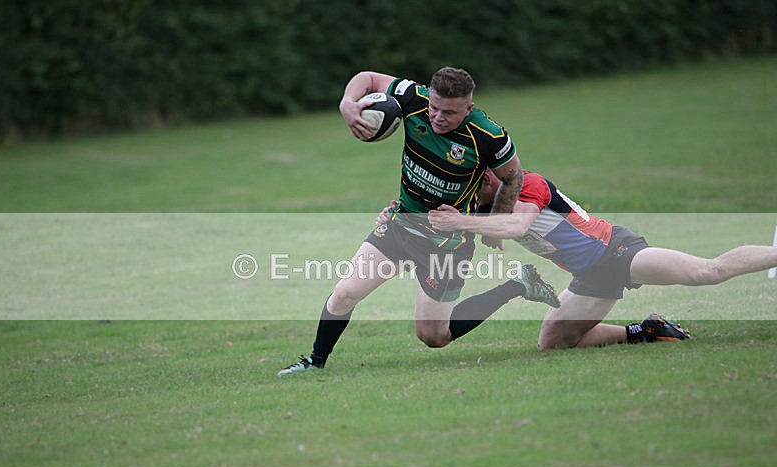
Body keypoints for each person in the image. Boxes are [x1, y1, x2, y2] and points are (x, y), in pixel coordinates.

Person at [278, 67, 560, 375]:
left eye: (449, 112)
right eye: (434, 107)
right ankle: (314, 362)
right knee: (345, 292)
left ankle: (518, 285)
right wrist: (347, 102)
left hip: (447, 242)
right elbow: (369, 79)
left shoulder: (489, 136)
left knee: (433, 335)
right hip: (401, 225)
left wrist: (495, 225)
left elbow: (514, 178)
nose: (437, 117)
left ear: (469, 108)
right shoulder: (413, 98)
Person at [427, 168, 777, 349]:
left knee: (707, 272)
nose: (469, 190)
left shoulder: (529, 183)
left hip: (615, 252)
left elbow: (518, 226)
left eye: (476, 182)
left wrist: (463, 221)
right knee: (553, 343)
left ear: (491, 175)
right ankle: (647, 330)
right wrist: (392, 216)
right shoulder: (484, 205)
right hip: (590, 276)